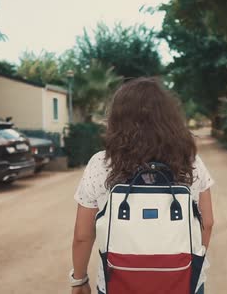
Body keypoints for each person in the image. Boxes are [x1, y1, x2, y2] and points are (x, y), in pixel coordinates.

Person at [70, 77, 215, 294]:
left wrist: (79, 280)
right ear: (169, 118)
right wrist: (191, 265)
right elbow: (208, 222)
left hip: (117, 281)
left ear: (117, 118)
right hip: (182, 282)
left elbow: (83, 235)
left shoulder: (101, 164)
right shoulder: (190, 162)